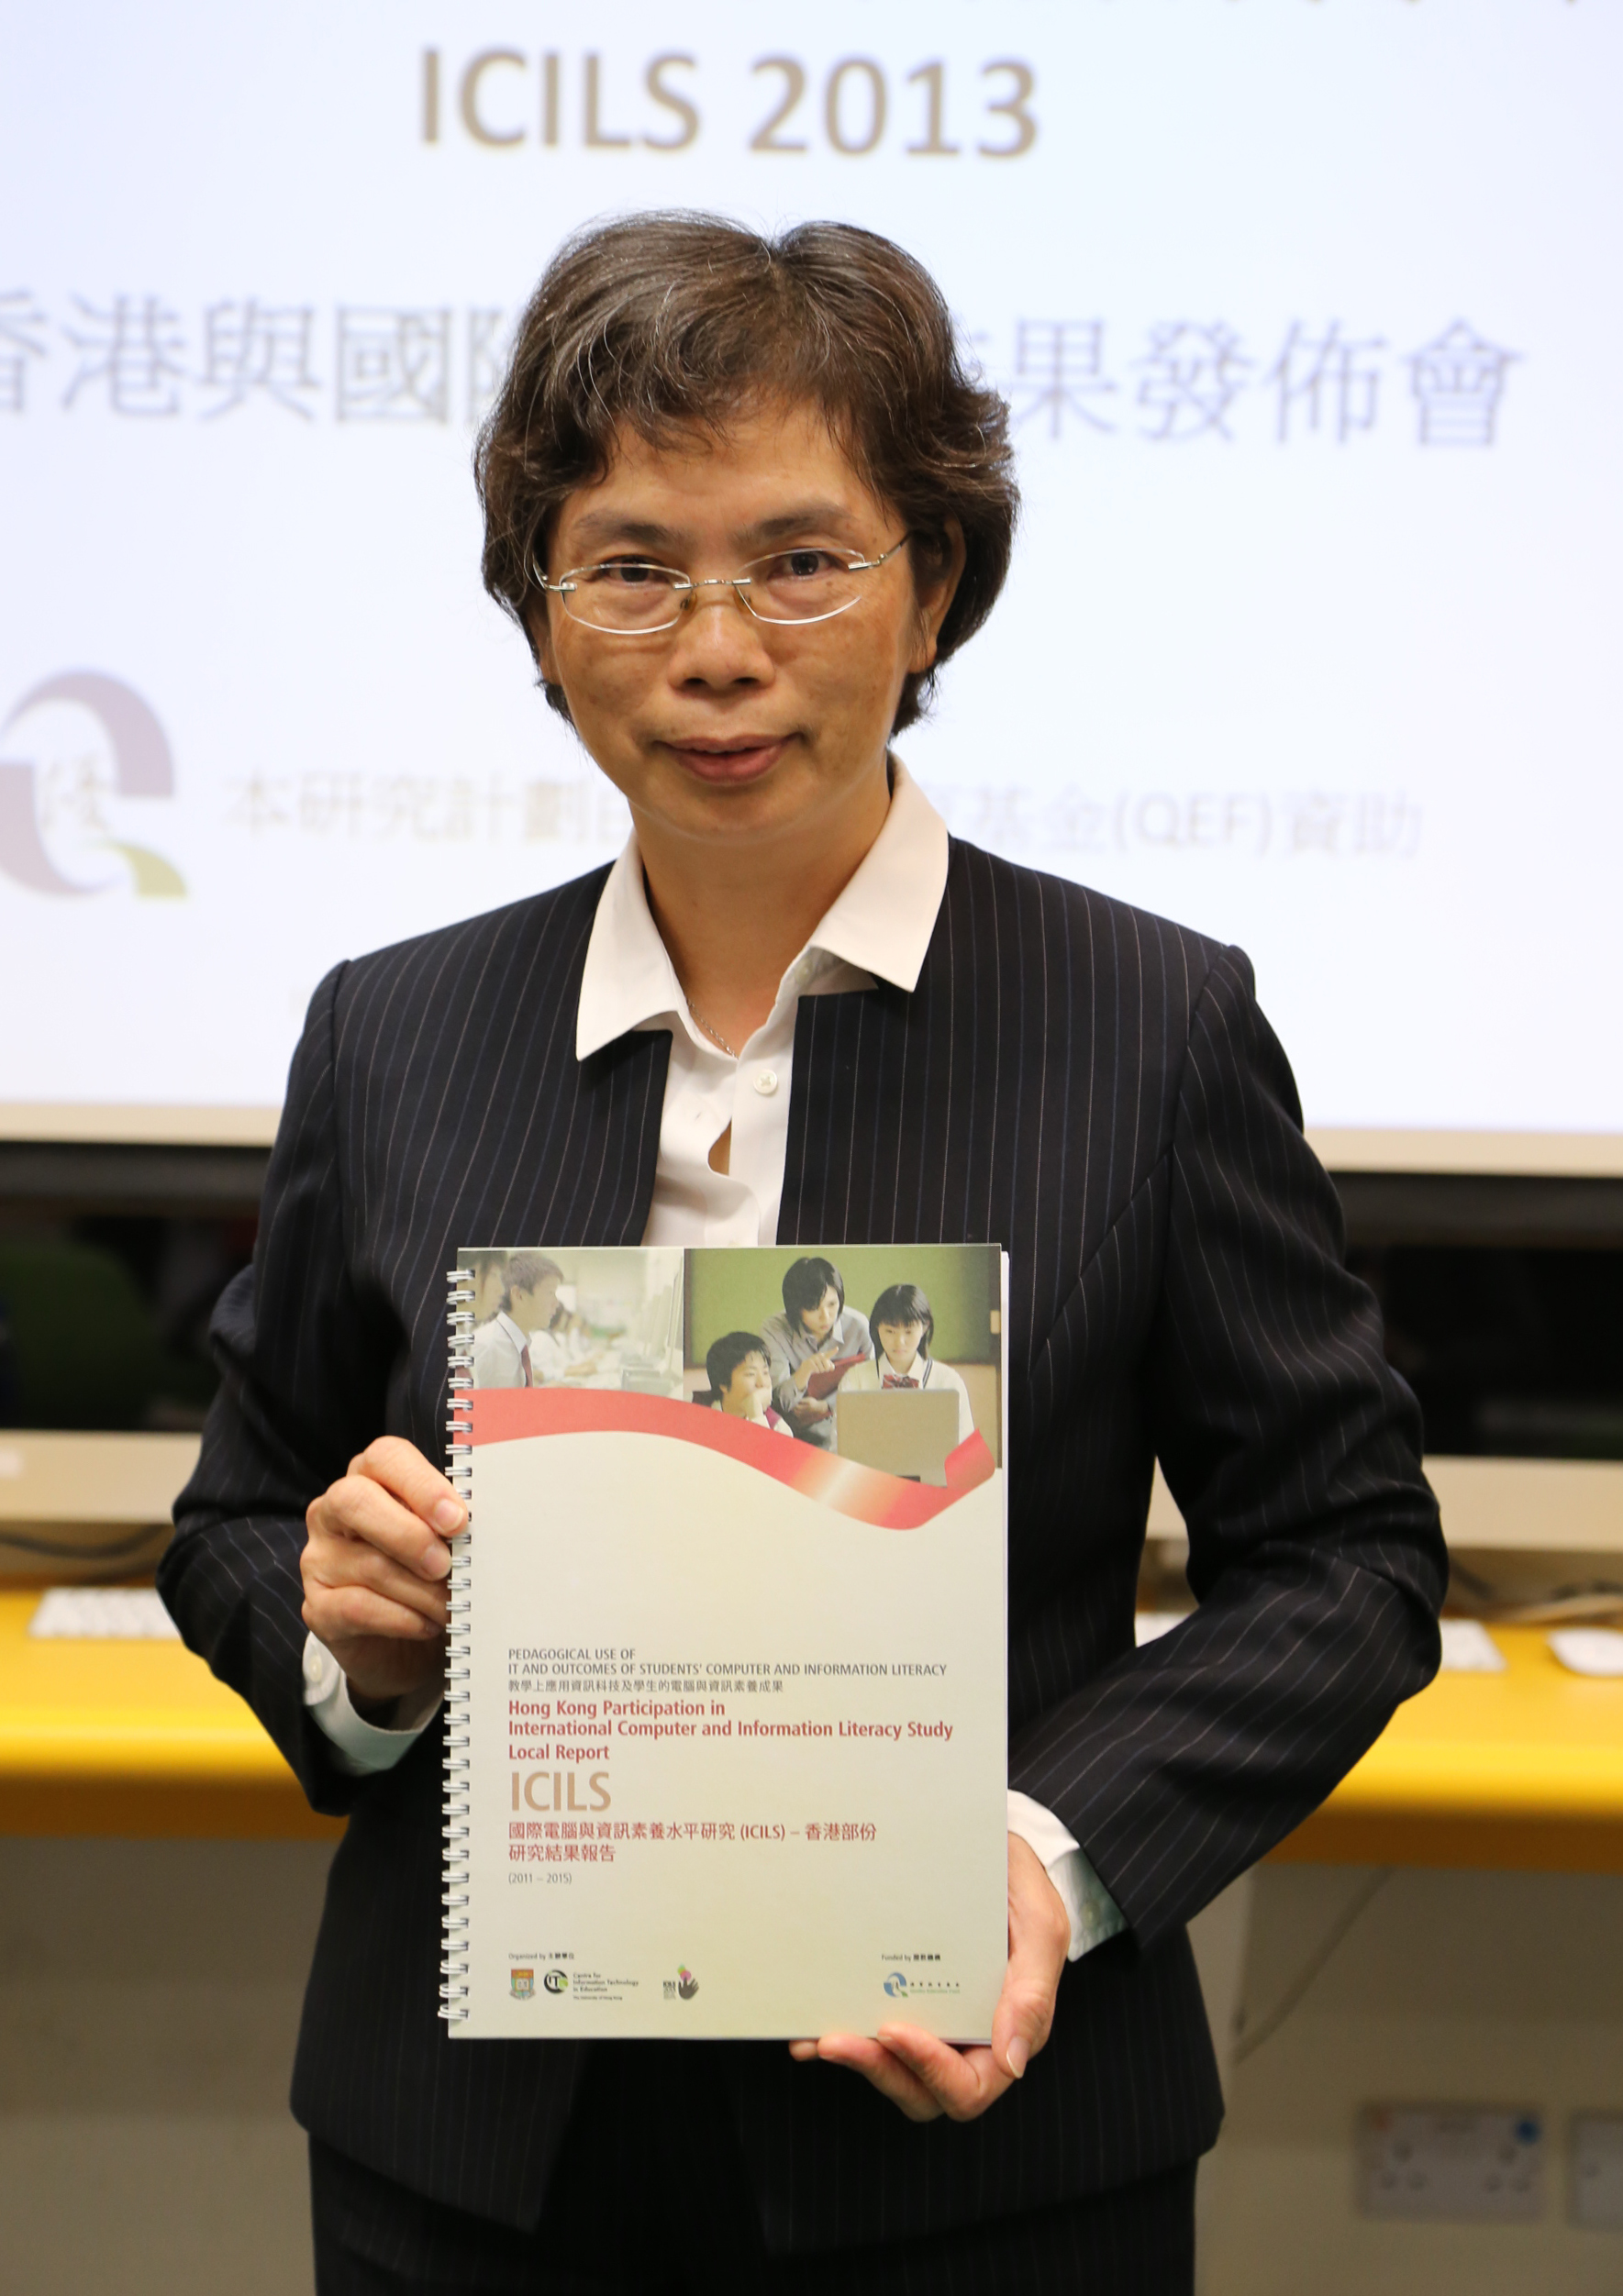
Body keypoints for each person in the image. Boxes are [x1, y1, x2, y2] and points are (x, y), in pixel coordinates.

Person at [159, 213, 1443, 2293]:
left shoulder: (1149, 1023)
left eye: (798, 560)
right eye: (629, 566)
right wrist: (359, 1656)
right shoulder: (392, 1031)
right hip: (473, 2161)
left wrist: (1038, 1856)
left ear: (931, 586)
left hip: (980, 2154)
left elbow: (1343, 1557)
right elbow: (241, 1511)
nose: (715, 646)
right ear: (540, 610)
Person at [839, 1281, 973, 1448]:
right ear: (877, 1328)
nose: (899, 1342)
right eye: (890, 1331)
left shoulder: (948, 1381)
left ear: (925, 1327)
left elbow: (966, 1447)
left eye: (909, 1332)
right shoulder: (855, 1380)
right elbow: (840, 1446)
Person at [759, 1255, 872, 1448]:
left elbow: (871, 1386)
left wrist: (828, 1406)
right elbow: (778, 1403)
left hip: (846, 1426)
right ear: (795, 1307)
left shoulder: (858, 1326)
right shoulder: (774, 1330)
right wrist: (804, 1372)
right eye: (813, 1308)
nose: (826, 1316)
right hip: (792, 1433)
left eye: (832, 1304)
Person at [469, 1253, 562, 1388]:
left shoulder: (521, 1342)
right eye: (549, 1293)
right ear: (519, 1295)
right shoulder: (487, 1346)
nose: (556, 1303)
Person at [704, 1329, 795, 1436]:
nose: (762, 1383)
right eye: (751, 1374)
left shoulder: (778, 1428)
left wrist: (756, 1415)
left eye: (765, 1372)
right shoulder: (692, 1406)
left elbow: (765, 1447)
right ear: (723, 1383)